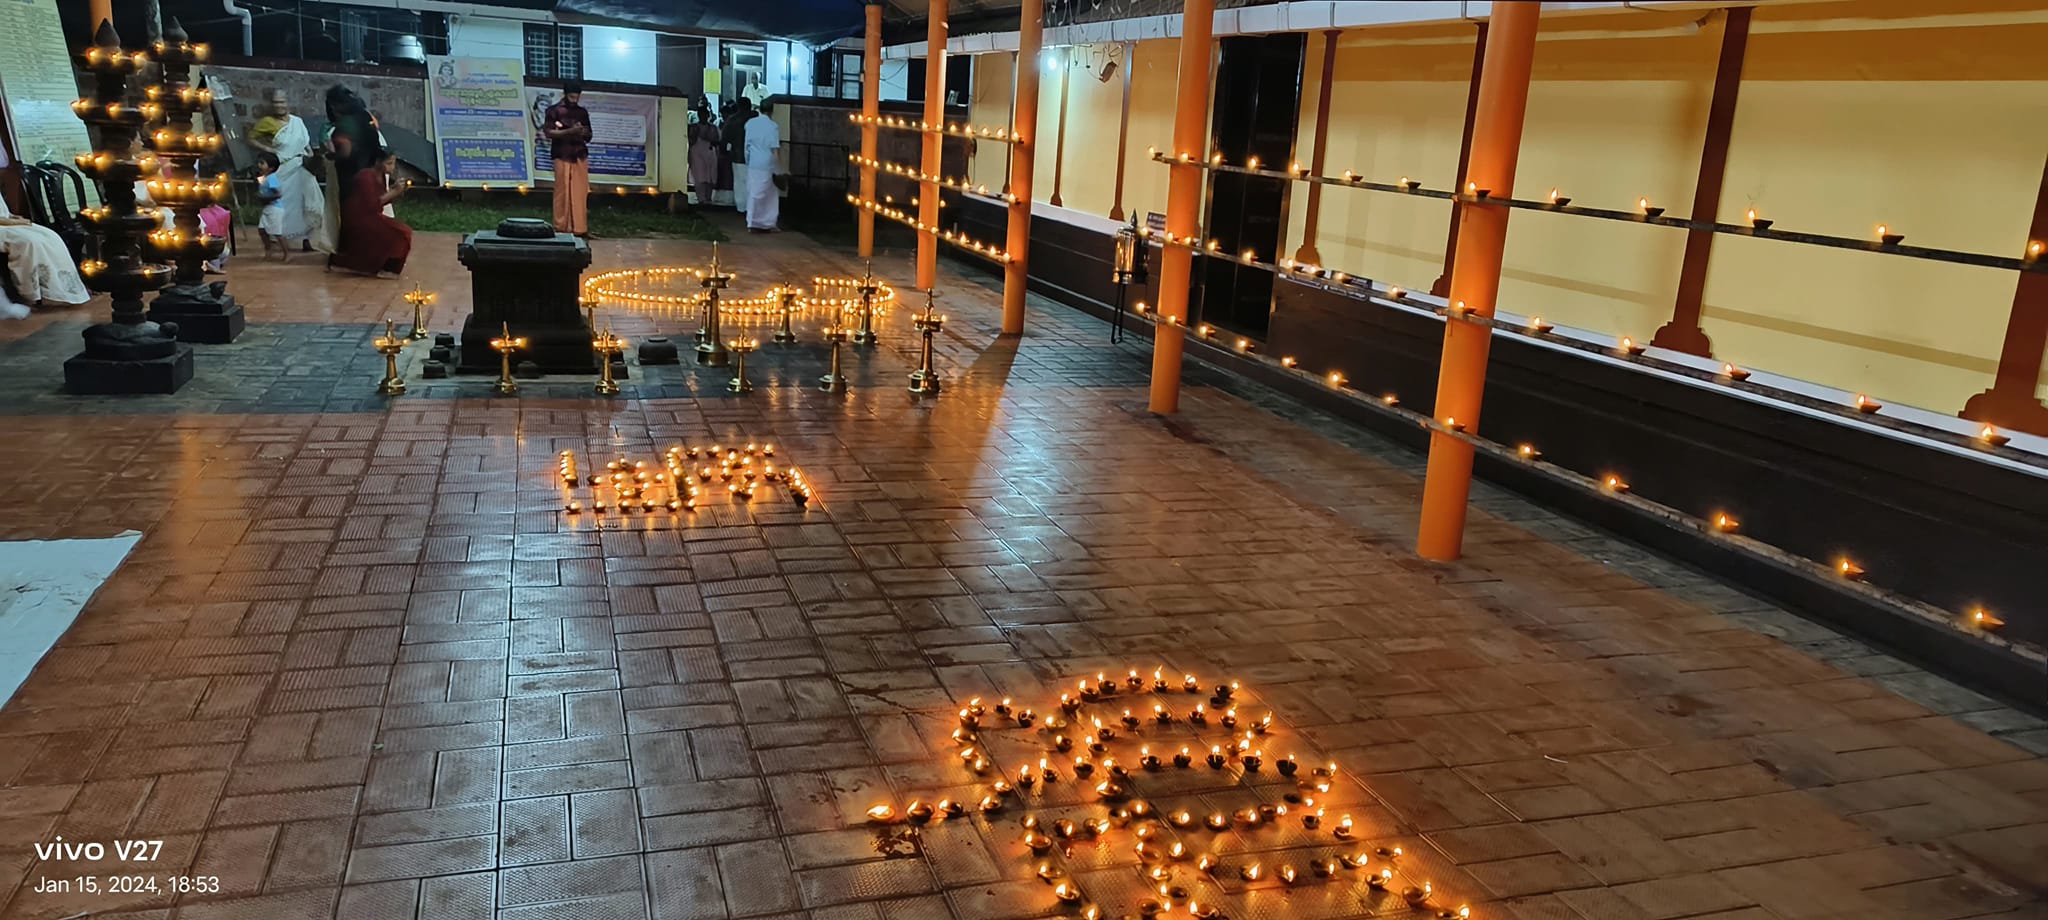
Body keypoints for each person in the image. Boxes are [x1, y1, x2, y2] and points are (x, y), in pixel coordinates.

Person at [246, 89, 331, 253]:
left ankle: (307, 240)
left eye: (282, 102)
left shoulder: (297, 122)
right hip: (282, 169)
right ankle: (278, 237)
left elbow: (305, 143)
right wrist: (268, 149)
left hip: (301, 167)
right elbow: (250, 138)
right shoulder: (266, 122)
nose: (279, 105)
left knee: (308, 203)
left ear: (287, 103)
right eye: (276, 102)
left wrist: (311, 156)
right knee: (285, 206)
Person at [0, 196, 91, 319]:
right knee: (29, 243)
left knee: (51, 236)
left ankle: (63, 291)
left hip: (7, 223)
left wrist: (13, 218)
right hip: (3, 226)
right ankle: (30, 294)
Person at [331, 151, 412, 278]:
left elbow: (382, 200)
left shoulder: (380, 177)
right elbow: (372, 203)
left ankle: (387, 267)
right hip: (358, 217)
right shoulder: (366, 176)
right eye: (389, 163)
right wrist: (393, 192)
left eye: (393, 164)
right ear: (378, 162)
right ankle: (386, 268)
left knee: (403, 232)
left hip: (371, 216)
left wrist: (396, 191)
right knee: (401, 234)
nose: (392, 168)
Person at [542, 82, 593, 238]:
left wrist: (583, 132)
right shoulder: (554, 110)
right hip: (562, 153)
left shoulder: (582, 112)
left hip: (579, 154)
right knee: (562, 191)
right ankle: (561, 227)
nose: (574, 99)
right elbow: (549, 132)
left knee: (580, 191)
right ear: (565, 94)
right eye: (571, 96)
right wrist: (570, 131)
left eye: (577, 96)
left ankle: (580, 228)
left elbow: (589, 136)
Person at [743, 100, 784, 233]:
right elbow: (775, 149)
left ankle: (752, 221)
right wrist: (779, 168)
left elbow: (747, 147)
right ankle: (768, 222)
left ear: (760, 109)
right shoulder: (773, 126)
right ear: (772, 110)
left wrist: (747, 160)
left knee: (753, 192)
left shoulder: (750, 124)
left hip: (754, 162)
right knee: (771, 195)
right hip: (768, 163)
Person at [687, 101, 720, 210]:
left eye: (706, 115)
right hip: (697, 153)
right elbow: (690, 141)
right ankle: (701, 199)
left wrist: (708, 138)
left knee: (710, 177)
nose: (704, 117)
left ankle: (708, 198)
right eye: (702, 115)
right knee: (700, 177)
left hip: (710, 153)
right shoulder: (693, 127)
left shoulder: (713, 128)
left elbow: (717, 141)